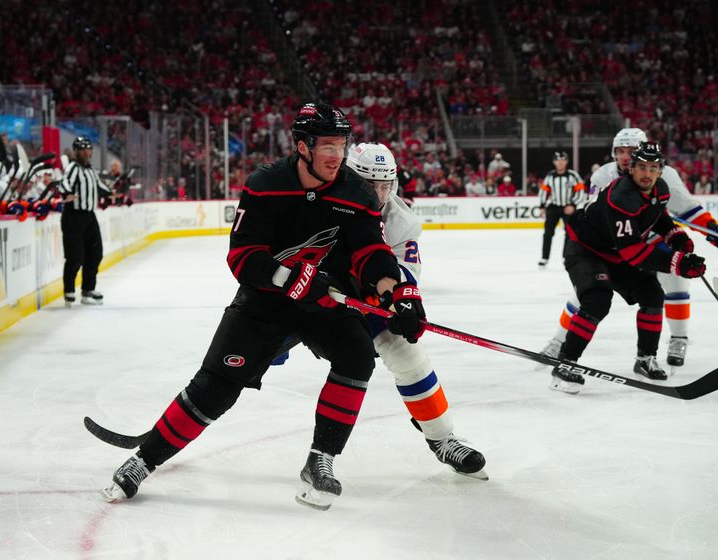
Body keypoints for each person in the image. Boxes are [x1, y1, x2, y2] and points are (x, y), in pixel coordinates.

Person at [102, 103, 427, 510]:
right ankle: (142, 461)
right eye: (326, 145)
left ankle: (320, 460)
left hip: (324, 302)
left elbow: (370, 252)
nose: (336, 155)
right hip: (265, 304)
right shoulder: (265, 184)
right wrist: (289, 278)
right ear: (302, 146)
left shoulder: (355, 191)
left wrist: (397, 292)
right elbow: (242, 256)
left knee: (358, 355)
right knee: (217, 388)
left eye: (341, 145)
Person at [282, 142, 487, 478]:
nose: (378, 194)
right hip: (304, 299)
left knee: (409, 355)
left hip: (361, 303)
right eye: (369, 185)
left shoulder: (400, 220)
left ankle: (441, 437)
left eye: (385, 184)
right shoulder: (317, 201)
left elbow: (404, 271)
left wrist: (404, 301)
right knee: (248, 359)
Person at [540, 129, 718, 368]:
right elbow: (603, 220)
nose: (625, 157)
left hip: (645, 238)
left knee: (672, 285)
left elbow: (682, 209)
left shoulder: (664, 177)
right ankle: (560, 342)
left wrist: (702, 230)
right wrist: (677, 259)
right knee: (589, 293)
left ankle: (677, 338)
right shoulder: (605, 178)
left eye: (631, 151)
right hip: (612, 244)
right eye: (620, 151)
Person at [58, 136, 112, 307]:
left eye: (88, 149)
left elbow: (99, 187)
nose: (86, 152)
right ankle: (69, 291)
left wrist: (112, 193)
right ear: (76, 151)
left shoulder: (90, 170)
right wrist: (67, 194)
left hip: (89, 216)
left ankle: (88, 289)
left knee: (96, 253)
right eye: (82, 149)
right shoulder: (73, 168)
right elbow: (64, 184)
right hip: (74, 216)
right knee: (75, 257)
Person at [537, 151, 586, 267]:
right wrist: (542, 206)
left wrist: (573, 205)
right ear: (554, 162)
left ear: (567, 161)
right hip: (554, 207)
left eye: (563, 160)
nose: (560, 162)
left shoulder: (573, 175)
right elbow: (544, 191)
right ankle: (544, 258)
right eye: (557, 160)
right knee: (548, 233)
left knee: (569, 233)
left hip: (568, 206)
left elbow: (581, 191)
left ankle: (566, 256)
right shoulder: (550, 176)